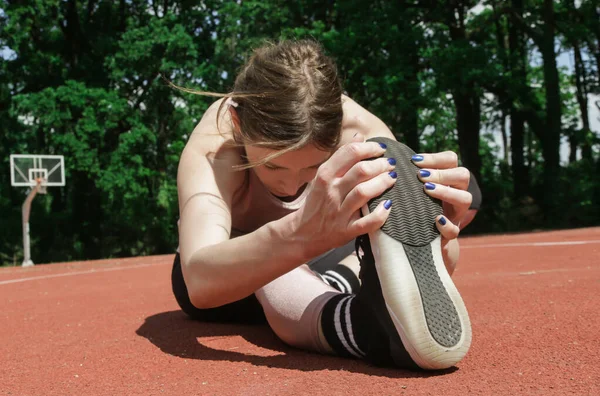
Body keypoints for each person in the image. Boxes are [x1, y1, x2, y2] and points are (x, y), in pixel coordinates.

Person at [172, 40, 476, 370]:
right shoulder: (215, 150)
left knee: (447, 224)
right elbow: (199, 282)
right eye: (272, 166)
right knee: (276, 269)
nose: (290, 185)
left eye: (312, 166)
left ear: (339, 130)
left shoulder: (362, 133)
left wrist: (436, 232)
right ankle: (364, 328)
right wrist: (296, 235)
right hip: (229, 276)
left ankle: (348, 282)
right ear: (237, 122)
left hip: (328, 249)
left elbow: (403, 224)